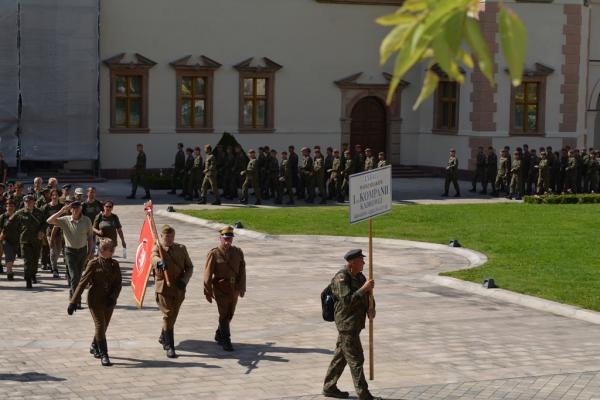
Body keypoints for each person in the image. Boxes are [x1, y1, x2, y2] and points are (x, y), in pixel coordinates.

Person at [323, 249, 378, 400]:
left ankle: (329, 387)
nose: (364, 263)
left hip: (355, 323)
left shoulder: (360, 277)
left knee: (340, 357)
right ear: (352, 262)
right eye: (361, 260)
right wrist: (364, 288)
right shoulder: (342, 278)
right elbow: (346, 301)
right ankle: (363, 394)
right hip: (346, 324)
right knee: (356, 359)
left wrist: (371, 308)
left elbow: (368, 296)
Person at [68, 238, 122, 367]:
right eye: (111, 250)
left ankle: (94, 345)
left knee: (104, 327)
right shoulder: (93, 264)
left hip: (109, 301)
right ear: (103, 250)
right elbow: (82, 283)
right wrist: (73, 301)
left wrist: (113, 297)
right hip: (95, 300)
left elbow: (118, 284)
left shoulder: (115, 264)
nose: (113, 252)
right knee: (100, 325)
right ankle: (104, 354)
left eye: (113, 249)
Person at [151, 224, 194, 358]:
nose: (169, 239)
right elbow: (153, 257)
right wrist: (159, 262)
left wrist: (184, 281)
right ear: (162, 236)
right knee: (168, 314)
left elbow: (190, 267)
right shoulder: (158, 248)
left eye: (171, 236)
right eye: (166, 236)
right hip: (163, 287)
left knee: (173, 315)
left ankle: (164, 335)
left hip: (178, 288)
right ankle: (170, 346)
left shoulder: (181, 248)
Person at [203, 226, 246, 352]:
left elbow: (242, 271)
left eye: (230, 239)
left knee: (230, 314)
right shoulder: (214, 253)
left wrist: (241, 287)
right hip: (220, 288)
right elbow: (207, 274)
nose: (228, 242)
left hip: (234, 288)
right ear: (220, 238)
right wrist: (207, 291)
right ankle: (226, 340)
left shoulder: (238, 252)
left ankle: (219, 334)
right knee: (223, 314)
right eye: (225, 239)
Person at [47, 201, 93, 304]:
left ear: (81, 209)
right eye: (73, 208)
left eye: (78, 208)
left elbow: (90, 237)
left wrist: (90, 252)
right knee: (74, 276)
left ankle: (73, 294)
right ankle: (76, 300)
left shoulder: (86, 220)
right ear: (70, 209)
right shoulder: (65, 220)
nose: (76, 210)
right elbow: (49, 221)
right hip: (70, 252)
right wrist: (62, 210)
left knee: (79, 275)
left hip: (82, 251)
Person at [6, 195, 46, 288]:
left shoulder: (39, 212)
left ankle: (33, 274)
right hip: (25, 240)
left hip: (37, 240)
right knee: (27, 260)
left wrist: (42, 231)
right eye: (26, 202)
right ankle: (28, 279)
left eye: (30, 201)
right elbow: (9, 223)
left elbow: (45, 223)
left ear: (33, 202)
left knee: (35, 259)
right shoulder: (19, 213)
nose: (28, 203)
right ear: (24, 203)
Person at [42, 189, 63, 278]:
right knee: (52, 250)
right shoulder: (46, 207)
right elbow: (43, 220)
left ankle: (52, 261)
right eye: (53, 195)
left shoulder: (61, 207)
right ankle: (55, 269)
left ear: (58, 196)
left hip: (60, 232)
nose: (54, 197)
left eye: (56, 195)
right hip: (49, 232)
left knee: (58, 251)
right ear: (51, 196)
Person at [0, 200, 18, 280]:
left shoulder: (18, 216)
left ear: (14, 207)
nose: (10, 208)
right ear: (6, 207)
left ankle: (9, 268)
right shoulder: (3, 217)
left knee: (12, 256)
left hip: (16, 240)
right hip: (5, 239)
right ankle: (9, 272)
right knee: (9, 254)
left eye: (12, 206)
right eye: (8, 206)